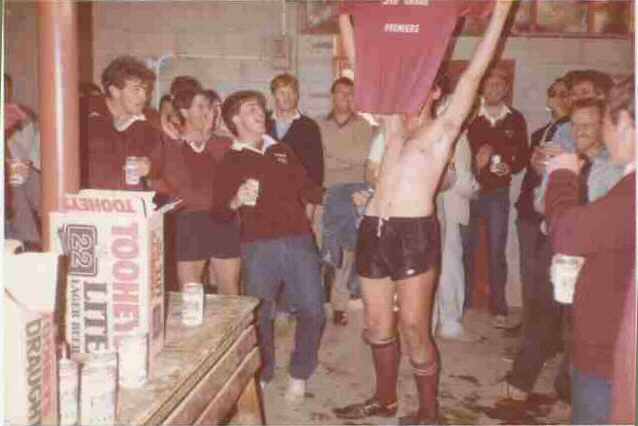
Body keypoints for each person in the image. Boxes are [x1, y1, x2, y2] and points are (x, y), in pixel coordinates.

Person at [333, 1, 514, 423]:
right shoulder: (391, 122)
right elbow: (361, 66)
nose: (409, 89)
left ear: (435, 91)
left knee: (415, 329)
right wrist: (344, 13)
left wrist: (502, 12)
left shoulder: (444, 128)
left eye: (420, 83)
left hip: (413, 233)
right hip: (373, 228)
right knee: (377, 326)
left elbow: (474, 72)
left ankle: (429, 413)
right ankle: (385, 401)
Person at [213, 91, 325, 402]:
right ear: (235, 119)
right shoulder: (230, 160)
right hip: (258, 246)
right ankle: (263, 371)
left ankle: (299, 373)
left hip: (299, 239)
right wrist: (236, 200)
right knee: (261, 315)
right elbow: (218, 213)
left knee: (314, 310)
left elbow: (308, 188)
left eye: (261, 108)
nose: (261, 113)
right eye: (252, 109)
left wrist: (339, 197)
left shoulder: (281, 150)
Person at [544, 75, 635, 424]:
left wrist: (563, 175)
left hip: (608, 351)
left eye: (606, 125)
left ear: (624, 124)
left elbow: (567, 233)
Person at [492, 78, 573, 403]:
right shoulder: (543, 131)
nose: (560, 99)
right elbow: (531, 170)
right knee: (532, 278)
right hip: (531, 210)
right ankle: (532, 334)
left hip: (558, 219)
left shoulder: (574, 134)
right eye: (555, 93)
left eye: (566, 94)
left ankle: (547, 351)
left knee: (551, 292)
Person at [159, 88, 240, 295]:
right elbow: (177, 185)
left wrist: (208, 134)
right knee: (190, 292)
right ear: (184, 112)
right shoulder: (171, 145)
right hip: (189, 221)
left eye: (210, 108)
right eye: (201, 107)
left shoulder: (223, 143)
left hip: (223, 219)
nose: (208, 112)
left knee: (229, 292)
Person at [466, 66, 529, 328]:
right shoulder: (470, 116)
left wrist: (510, 167)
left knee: (496, 250)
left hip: (497, 193)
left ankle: (499, 308)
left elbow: (523, 155)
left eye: (499, 84)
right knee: (465, 248)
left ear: (506, 89)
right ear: (482, 87)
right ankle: (463, 303)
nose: (494, 88)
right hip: (467, 192)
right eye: (489, 83)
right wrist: (475, 165)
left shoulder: (515, 118)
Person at [317, 76, 374, 325]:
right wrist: (344, 158)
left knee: (346, 253)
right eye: (341, 93)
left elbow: (362, 157)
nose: (346, 98)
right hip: (324, 194)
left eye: (351, 94)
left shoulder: (365, 126)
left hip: (353, 195)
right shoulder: (317, 124)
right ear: (332, 96)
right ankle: (314, 306)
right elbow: (316, 158)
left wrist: (330, 154)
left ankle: (340, 306)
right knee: (319, 249)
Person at [81, 55, 164, 191]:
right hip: (87, 200)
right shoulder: (84, 111)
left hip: (129, 200)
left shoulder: (148, 119)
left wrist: (150, 168)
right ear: (115, 91)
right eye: (136, 89)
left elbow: (162, 165)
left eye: (145, 89)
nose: (144, 97)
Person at [266, 73, 324, 209]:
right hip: (265, 198)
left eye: (291, 93)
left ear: (297, 96)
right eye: (282, 92)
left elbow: (316, 172)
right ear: (274, 95)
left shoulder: (309, 127)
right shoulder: (262, 122)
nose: (286, 98)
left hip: (297, 200)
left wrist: (310, 209)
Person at [4, 73, 41, 247]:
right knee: (14, 185)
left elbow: (33, 145)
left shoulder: (19, 112)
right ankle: (29, 242)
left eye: (6, 87)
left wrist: (26, 164)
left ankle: (55, 226)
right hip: (7, 170)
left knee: (35, 180)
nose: (4, 91)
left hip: (20, 165)